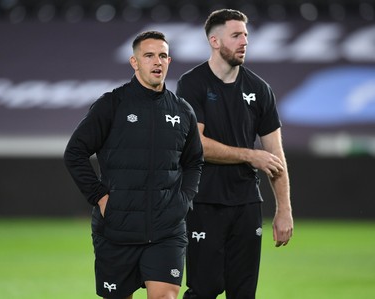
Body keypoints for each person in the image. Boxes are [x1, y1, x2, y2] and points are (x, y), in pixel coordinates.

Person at [64, 31, 203, 299]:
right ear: (134, 62)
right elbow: (75, 153)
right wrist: (101, 197)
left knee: (166, 296)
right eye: (149, 55)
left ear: (169, 60)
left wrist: (183, 200)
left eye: (162, 55)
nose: (157, 62)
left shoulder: (182, 110)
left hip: (167, 229)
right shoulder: (112, 104)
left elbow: (194, 161)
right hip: (117, 229)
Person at [176, 9, 294, 299]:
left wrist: (284, 209)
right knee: (205, 289)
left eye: (246, 35)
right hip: (204, 202)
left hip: (246, 204)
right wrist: (250, 156)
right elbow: (198, 145)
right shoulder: (192, 84)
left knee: (243, 293)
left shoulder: (259, 90)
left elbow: (275, 154)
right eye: (236, 35)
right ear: (215, 41)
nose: (245, 42)